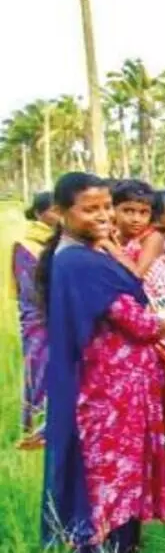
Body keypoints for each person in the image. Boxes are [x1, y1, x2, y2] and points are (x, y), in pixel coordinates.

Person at [38, 172, 165, 553]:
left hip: (123, 388)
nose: (103, 216)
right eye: (90, 209)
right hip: (107, 392)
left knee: (123, 471)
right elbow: (136, 322)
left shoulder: (88, 252)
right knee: (108, 478)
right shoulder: (78, 261)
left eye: (105, 207)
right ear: (63, 213)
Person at [111, 180, 165, 463]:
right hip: (125, 315)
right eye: (128, 211)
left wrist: (109, 248)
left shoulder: (152, 239)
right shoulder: (108, 237)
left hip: (159, 313)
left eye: (142, 212)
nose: (135, 218)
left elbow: (136, 273)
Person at [14, 191, 58, 448]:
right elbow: (31, 289)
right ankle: (32, 427)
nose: (57, 216)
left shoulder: (58, 241)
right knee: (39, 369)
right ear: (40, 213)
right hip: (38, 319)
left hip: (56, 316)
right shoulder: (27, 245)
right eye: (53, 210)